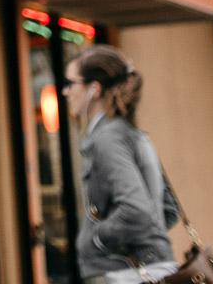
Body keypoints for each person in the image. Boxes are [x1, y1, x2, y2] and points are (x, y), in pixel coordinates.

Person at [65, 45, 181, 284]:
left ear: (94, 90)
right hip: (155, 268)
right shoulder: (133, 135)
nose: (66, 91)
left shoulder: (106, 140)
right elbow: (168, 210)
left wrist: (97, 239)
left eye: (71, 83)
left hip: (128, 274)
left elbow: (137, 211)